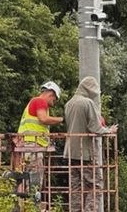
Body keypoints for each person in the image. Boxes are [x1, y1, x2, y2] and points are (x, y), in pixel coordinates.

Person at [63, 76, 118, 212]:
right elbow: (95, 127)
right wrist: (109, 131)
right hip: (85, 152)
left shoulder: (69, 103)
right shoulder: (87, 103)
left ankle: (75, 210)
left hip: (70, 151)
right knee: (96, 185)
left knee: (76, 187)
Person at [17, 81, 64, 189]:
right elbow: (43, 119)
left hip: (27, 145)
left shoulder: (34, 102)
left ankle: (23, 203)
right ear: (51, 94)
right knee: (35, 178)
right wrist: (62, 119)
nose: (54, 102)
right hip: (33, 145)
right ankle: (33, 203)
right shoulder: (40, 101)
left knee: (25, 177)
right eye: (54, 99)